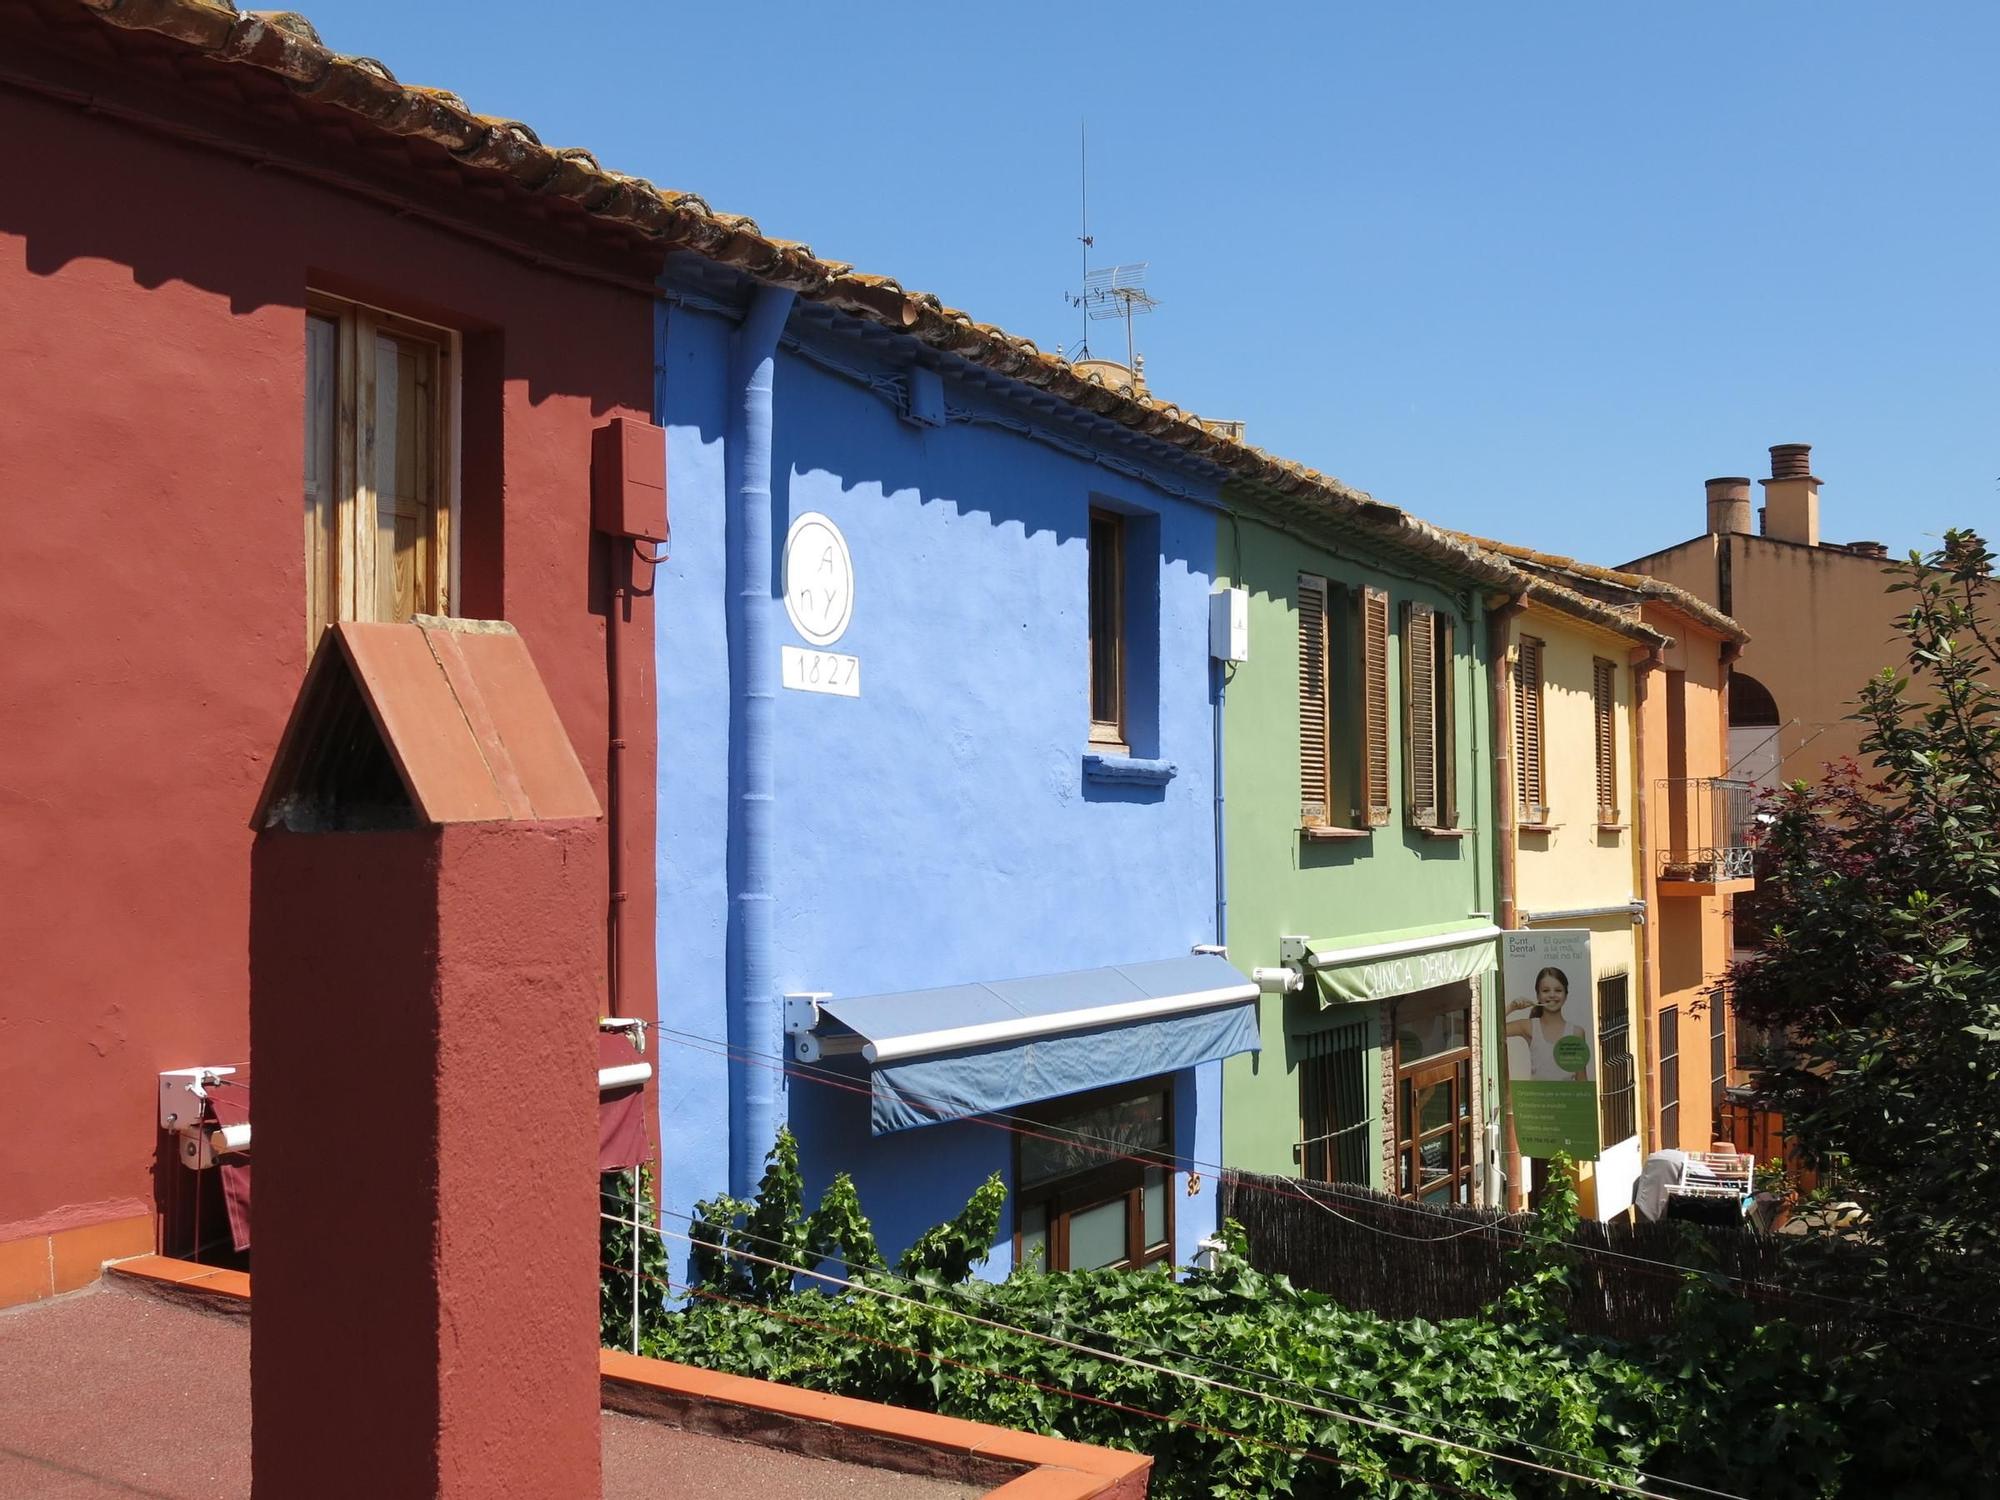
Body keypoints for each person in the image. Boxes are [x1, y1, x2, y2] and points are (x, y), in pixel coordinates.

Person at [1505, 966, 1588, 1081]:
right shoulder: (1529, 1026)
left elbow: (1582, 1080)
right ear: (1538, 995)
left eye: (1558, 990)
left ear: (1566, 995)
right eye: (1545, 990)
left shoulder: (1576, 1032)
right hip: (1537, 1097)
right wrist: (1511, 1007)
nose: (1552, 995)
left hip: (1567, 1098)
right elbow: (1492, 1031)